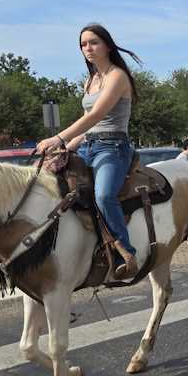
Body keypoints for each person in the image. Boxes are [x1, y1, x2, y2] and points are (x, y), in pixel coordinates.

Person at [35, 23, 140, 280]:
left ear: (107, 45)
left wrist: (57, 137)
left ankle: (125, 253)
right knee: (54, 189)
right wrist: (65, 148)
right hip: (89, 146)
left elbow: (96, 115)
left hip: (113, 148)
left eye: (93, 42)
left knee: (104, 196)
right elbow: (87, 125)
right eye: (83, 44)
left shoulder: (118, 76)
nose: (87, 48)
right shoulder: (90, 80)